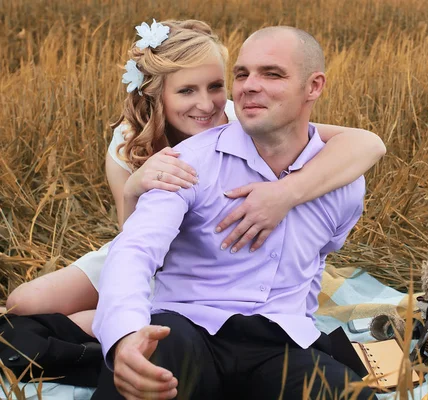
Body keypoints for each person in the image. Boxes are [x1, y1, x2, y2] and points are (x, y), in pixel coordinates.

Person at [5, 19, 385, 338]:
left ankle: (104, 333)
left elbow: (367, 144)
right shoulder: (128, 142)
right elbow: (133, 239)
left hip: (215, 258)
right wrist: (136, 187)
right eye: (187, 90)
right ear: (157, 95)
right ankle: (117, 323)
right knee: (25, 303)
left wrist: (285, 193)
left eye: (216, 87)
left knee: (73, 325)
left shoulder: (243, 118)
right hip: (156, 256)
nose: (206, 105)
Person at [91, 25, 375, 399]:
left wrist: (286, 193)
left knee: (346, 394)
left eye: (271, 74)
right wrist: (125, 336)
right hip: (188, 329)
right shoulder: (186, 162)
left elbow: (321, 256)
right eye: (241, 74)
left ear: (314, 86)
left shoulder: (342, 181)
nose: (249, 86)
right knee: (151, 362)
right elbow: (134, 250)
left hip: (282, 344)